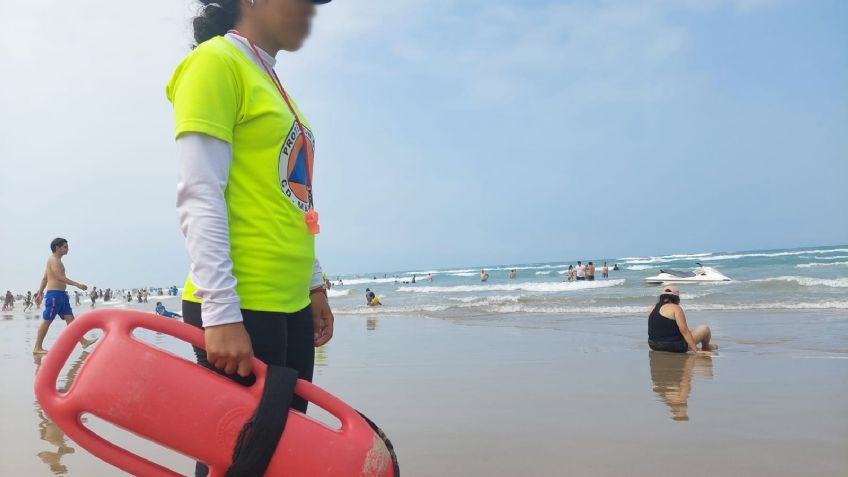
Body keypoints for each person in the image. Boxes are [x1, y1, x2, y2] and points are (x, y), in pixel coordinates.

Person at [167, 3, 335, 474]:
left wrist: (314, 285)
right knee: (237, 462)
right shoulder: (216, 62)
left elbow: (291, 201)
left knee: (279, 458)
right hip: (239, 302)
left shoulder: (274, 82)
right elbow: (200, 194)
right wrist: (220, 310)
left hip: (289, 303)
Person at [32, 238, 97, 354]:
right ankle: (37, 347)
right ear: (57, 247)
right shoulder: (53, 260)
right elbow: (58, 277)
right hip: (54, 295)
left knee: (71, 320)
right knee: (47, 320)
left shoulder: (57, 260)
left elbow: (45, 278)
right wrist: (77, 284)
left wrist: (40, 293)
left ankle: (83, 341)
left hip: (61, 295)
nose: (68, 249)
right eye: (65, 247)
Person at [647, 286, 717, 354]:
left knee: (689, 332)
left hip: (654, 345)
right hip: (675, 347)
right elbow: (684, 331)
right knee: (704, 329)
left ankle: (696, 346)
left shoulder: (652, 308)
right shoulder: (676, 308)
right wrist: (696, 350)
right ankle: (706, 347)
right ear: (676, 297)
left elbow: (660, 328)